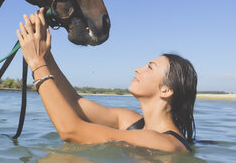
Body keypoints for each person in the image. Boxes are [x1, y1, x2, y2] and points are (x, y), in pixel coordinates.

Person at [17, 8, 197, 153]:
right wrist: (46, 55)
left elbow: (71, 131)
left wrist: (37, 63)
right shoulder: (131, 121)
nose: (138, 68)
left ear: (166, 90)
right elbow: (74, 102)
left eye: (150, 67)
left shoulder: (165, 143)